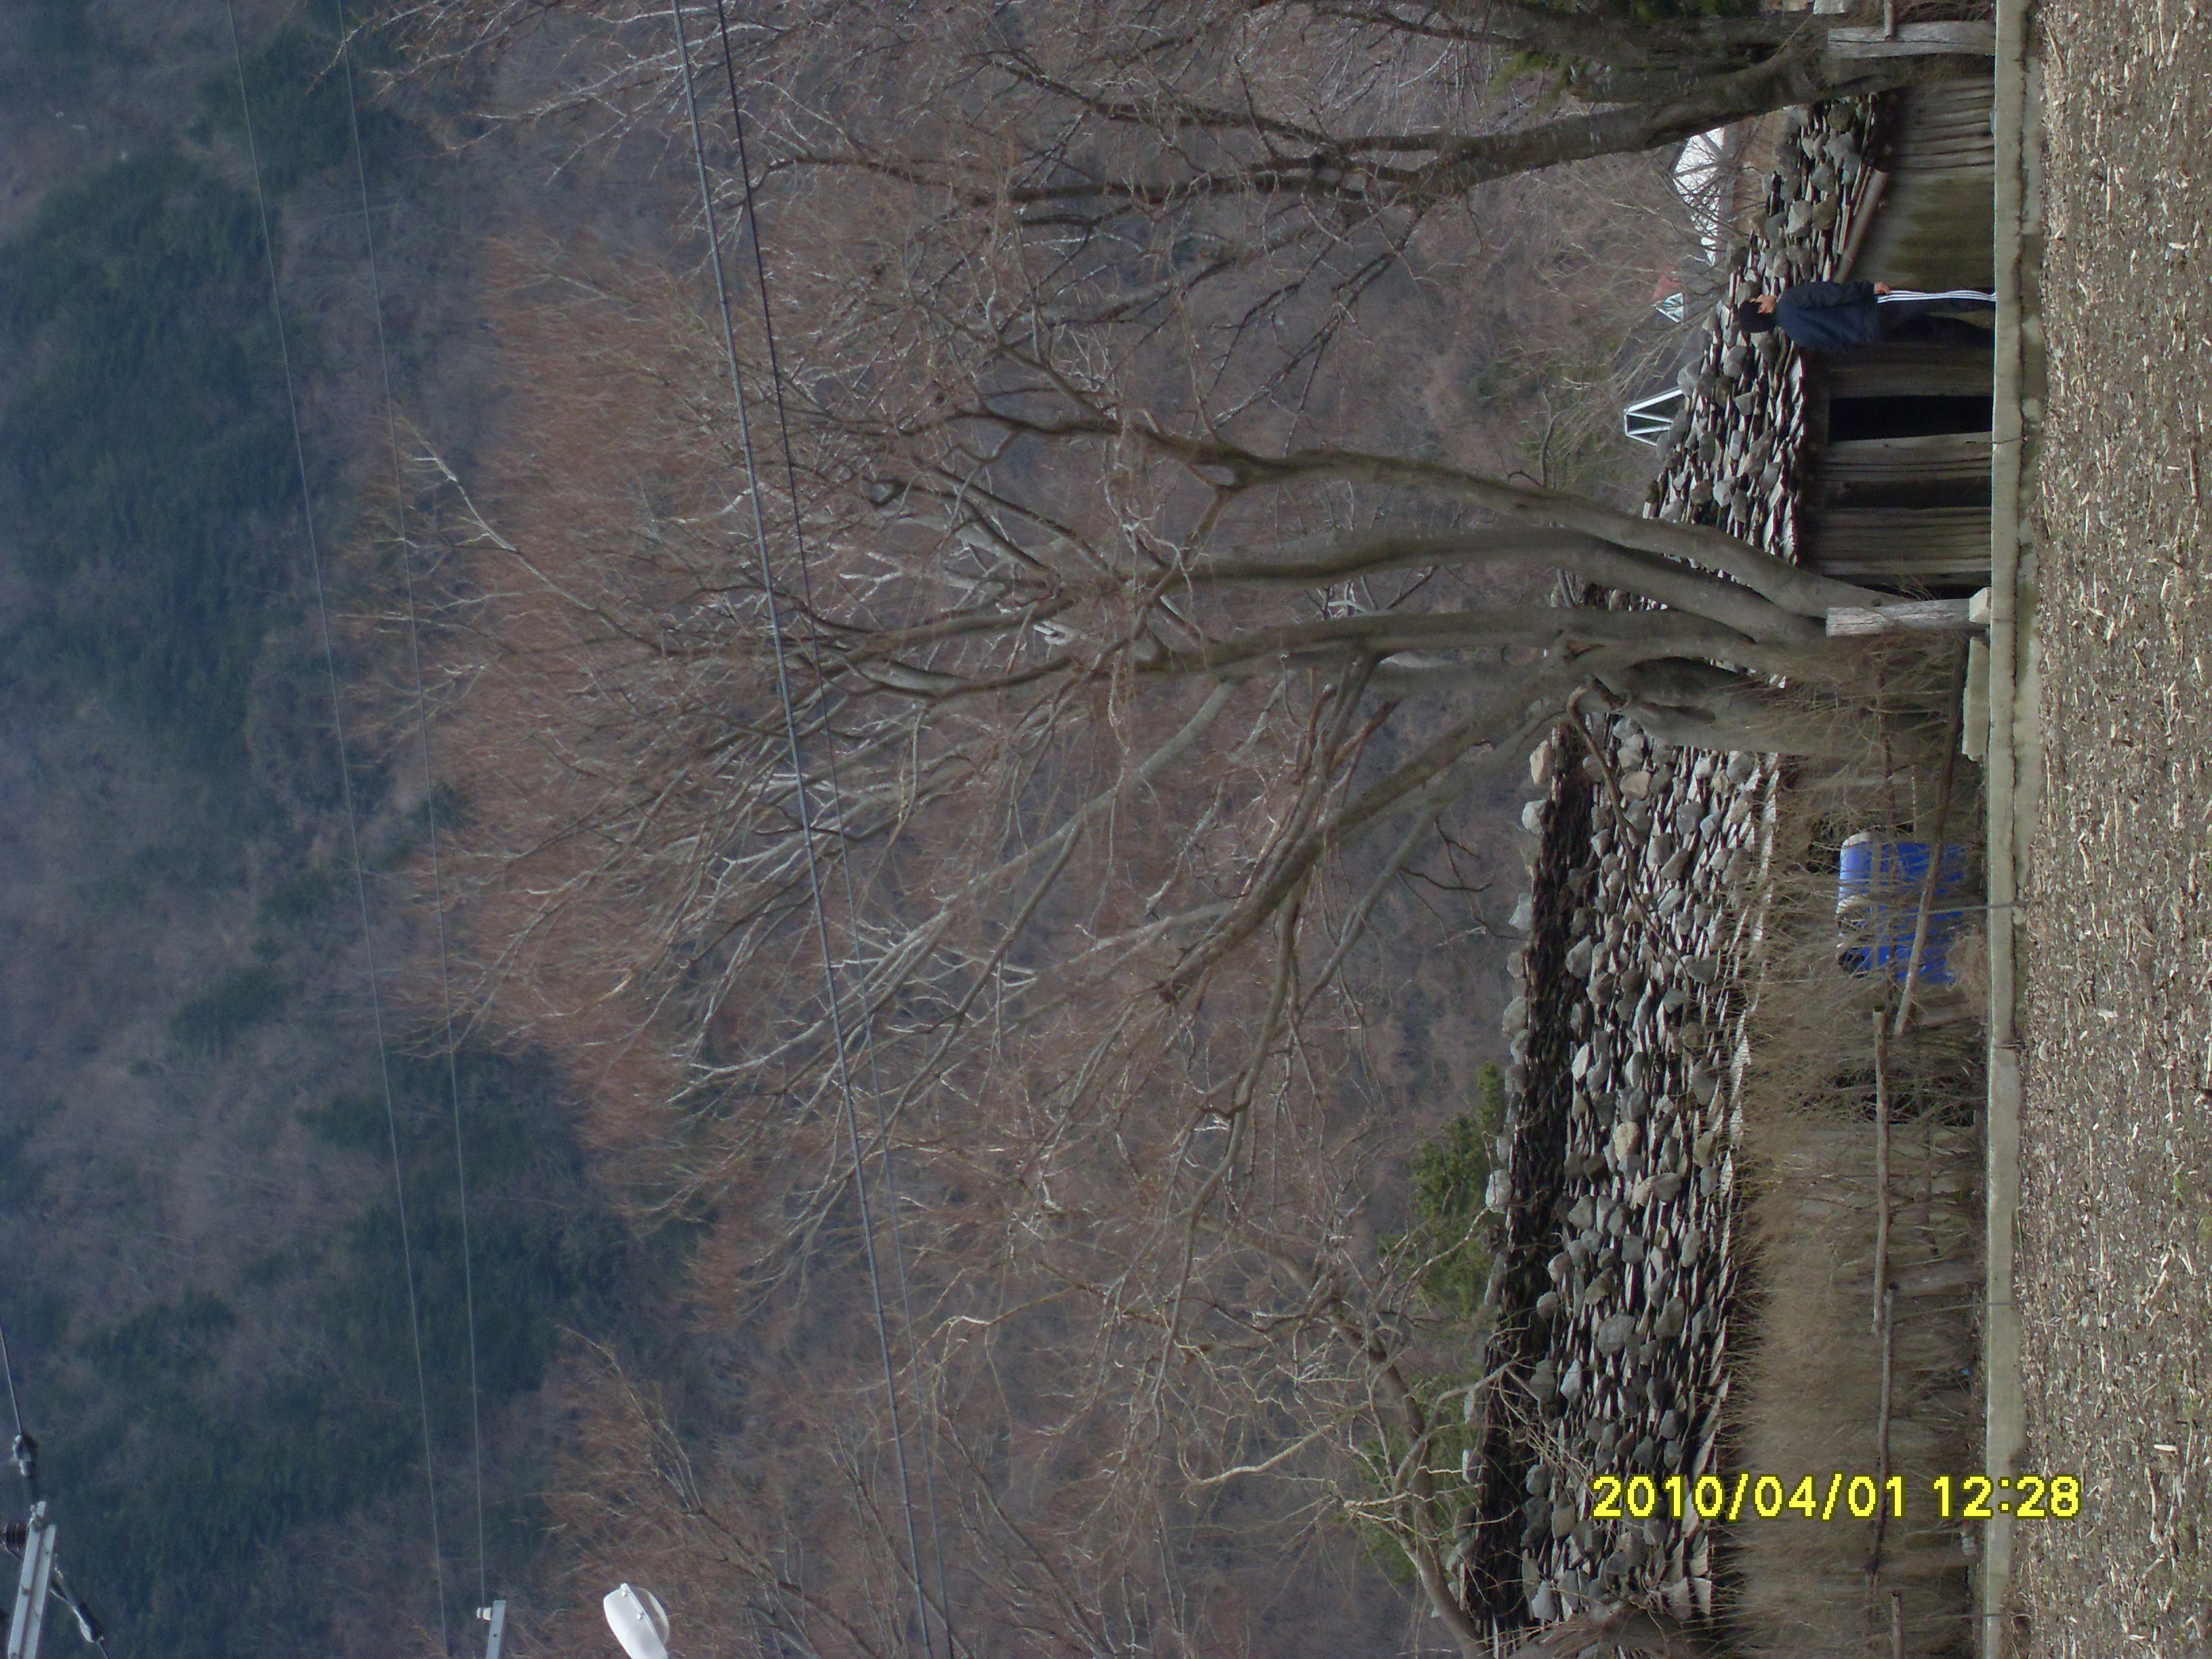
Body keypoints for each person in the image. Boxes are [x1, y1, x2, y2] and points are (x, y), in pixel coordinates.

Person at [1736, 281, 1996, 351]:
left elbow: (1840, 347)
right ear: (1762, 310)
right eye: (1758, 300)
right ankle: (1994, 299)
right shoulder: (1791, 300)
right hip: (1876, 309)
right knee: (1938, 299)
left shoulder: (1798, 337)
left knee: (1937, 332)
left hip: (1874, 335)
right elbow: (1833, 294)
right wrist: (1869, 288)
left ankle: (1992, 341)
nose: (1763, 296)